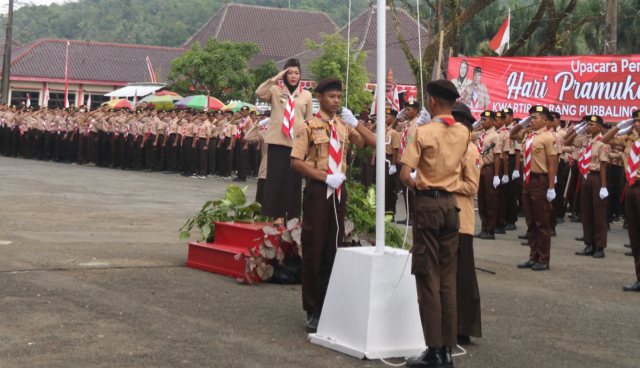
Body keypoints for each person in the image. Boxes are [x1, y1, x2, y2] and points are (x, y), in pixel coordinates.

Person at [290, 77, 376, 333]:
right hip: (319, 189)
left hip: (339, 192)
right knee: (314, 251)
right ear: (320, 98)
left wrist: (356, 122)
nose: (336, 101)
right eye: (331, 96)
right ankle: (313, 309)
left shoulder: (344, 125)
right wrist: (324, 176)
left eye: (339, 97)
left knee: (333, 250)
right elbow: (296, 161)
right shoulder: (308, 126)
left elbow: (373, 143)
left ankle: (329, 304)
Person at [399, 80, 468, 368]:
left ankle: (434, 351)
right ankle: (448, 351)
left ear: (433, 102)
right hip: (452, 205)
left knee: (428, 278)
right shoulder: (464, 131)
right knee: (448, 279)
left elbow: (405, 174)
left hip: (428, 204)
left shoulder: (423, 131)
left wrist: (422, 186)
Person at [256, 58, 314, 221]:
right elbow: (259, 93)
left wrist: (309, 144)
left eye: (296, 73)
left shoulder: (306, 95)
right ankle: (277, 216)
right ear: (284, 74)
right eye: (289, 73)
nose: (293, 76)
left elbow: (309, 120)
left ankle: (293, 216)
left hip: (297, 142)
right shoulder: (275, 91)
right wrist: (275, 78)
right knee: (275, 180)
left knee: (293, 181)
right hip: (277, 140)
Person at [510, 105, 558, 271]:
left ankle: (544, 259)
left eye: (535, 117)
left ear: (545, 120)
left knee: (541, 222)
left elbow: (552, 164)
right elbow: (512, 134)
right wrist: (522, 123)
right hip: (527, 181)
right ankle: (533, 256)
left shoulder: (548, 137)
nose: (532, 120)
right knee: (530, 222)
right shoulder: (528, 135)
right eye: (531, 117)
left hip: (540, 181)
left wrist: (551, 187)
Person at [451, 102, 483, 346]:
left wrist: (444, 183)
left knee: (462, 277)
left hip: (461, 220)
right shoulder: (449, 148)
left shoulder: (470, 150)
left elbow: (472, 187)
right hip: (445, 218)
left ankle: (464, 327)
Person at [601, 110, 640, 291]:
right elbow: (605, 140)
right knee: (634, 235)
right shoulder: (628, 138)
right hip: (631, 186)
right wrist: (619, 127)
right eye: (635, 122)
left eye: (639, 122)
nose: (637, 125)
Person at [564, 116, 610, 258]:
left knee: (599, 213)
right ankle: (589, 244)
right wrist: (577, 130)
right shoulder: (585, 140)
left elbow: (602, 167)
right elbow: (567, 141)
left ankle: (600, 247)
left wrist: (603, 186)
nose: (589, 127)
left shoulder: (603, 143)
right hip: (585, 177)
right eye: (588, 124)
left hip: (596, 178)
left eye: (592, 124)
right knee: (586, 212)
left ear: (600, 127)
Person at [473, 110, 502, 240]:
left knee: (491, 200)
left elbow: (497, 157)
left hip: (490, 168)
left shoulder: (495, 136)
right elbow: (469, 135)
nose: (483, 122)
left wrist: (496, 174)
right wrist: (477, 125)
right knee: (482, 200)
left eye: (485, 120)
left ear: (492, 121)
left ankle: (491, 230)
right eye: (482, 120)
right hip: (480, 169)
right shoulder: (480, 134)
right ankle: (483, 228)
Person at [395, 100, 421, 226]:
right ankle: (409, 215)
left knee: (412, 191)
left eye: (409, 110)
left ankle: (414, 216)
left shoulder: (417, 124)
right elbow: (394, 127)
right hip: (404, 159)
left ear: (416, 111)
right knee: (406, 190)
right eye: (405, 110)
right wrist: (397, 117)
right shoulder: (406, 124)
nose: (406, 112)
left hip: (412, 161)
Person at [383, 109, 401, 219]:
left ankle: (390, 213)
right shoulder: (384, 130)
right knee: (383, 187)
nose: (384, 118)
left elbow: (395, 150)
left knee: (390, 188)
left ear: (393, 119)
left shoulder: (394, 133)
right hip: (383, 159)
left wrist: (393, 165)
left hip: (390, 160)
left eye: (386, 116)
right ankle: (383, 210)